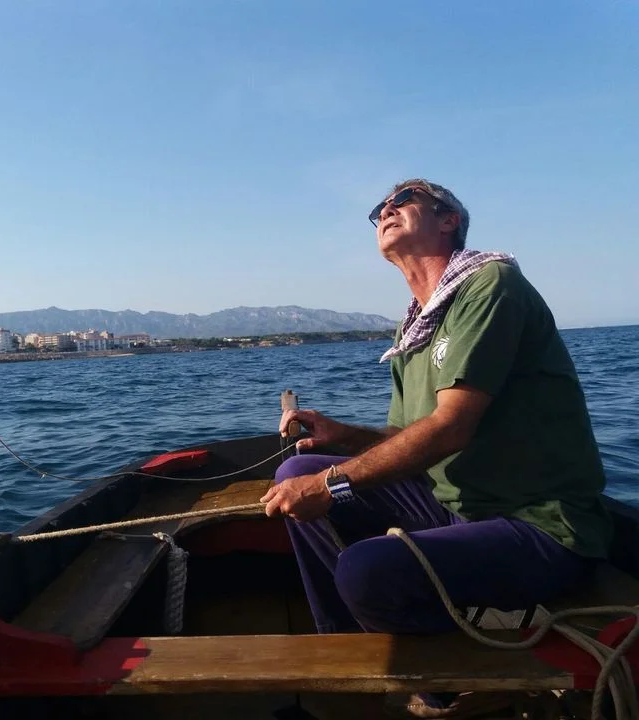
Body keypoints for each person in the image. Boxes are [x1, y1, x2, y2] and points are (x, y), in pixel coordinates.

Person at [260, 179, 611, 717]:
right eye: (380, 207)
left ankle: (460, 685)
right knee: (296, 470)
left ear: (449, 220)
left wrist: (331, 482)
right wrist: (343, 436)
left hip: (540, 525)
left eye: (404, 199)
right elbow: (407, 437)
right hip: (454, 504)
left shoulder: (490, 285)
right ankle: (349, 654)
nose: (387, 208)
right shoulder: (416, 328)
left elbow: (449, 429)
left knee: (366, 570)